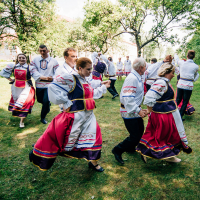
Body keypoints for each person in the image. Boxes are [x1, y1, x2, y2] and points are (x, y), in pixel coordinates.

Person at [29, 57, 111, 172]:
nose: (90, 71)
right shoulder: (71, 78)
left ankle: (93, 163)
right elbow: (53, 86)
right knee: (58, 140)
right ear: (80, 68)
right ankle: (37, 153)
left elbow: (91, 95)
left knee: (95, 139)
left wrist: (103, 87)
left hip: (89, 116)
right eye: (88, 69)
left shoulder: (85, 79)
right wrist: (65, 101)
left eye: (91, 69)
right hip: (76, 117)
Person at [136, 63, 192, 163]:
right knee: (164, 136)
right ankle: (166, 155)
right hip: (162, 115)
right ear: (167, 72)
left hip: (166, 113)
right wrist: (149, 110)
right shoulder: (161, 83)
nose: (174, 75)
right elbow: (149, 96)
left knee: (158, 134)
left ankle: (168, 155)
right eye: (172, 72)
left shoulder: (164, 82)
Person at [112, 57, 147, 165]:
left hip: (134, 109)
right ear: (141, 67)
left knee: (140, 131)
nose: (146, 68)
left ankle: (131, 148)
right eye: (145, 66)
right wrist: (138, 110)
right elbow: (128, 97)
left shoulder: (137, 76)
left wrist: (139, 109)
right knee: (135, 135)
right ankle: (118, 149)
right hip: (129, 111)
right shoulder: (132, 78)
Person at [0, 53, 35, 128]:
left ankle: (21, 121)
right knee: (18, 101)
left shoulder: (30, 67)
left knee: (24, 102)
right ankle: (20, 117)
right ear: (17, 59)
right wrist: (10, 79)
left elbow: (36, 75)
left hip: (27, 87)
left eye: (23, 58)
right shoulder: (13, 66)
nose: (21, 59)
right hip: (16, 87)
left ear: (26, 59)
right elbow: (3, 73)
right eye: (20, 58)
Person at [30, 44, 59, 124]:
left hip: (49, 85)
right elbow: (32, 69)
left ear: (47, 50)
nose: (42, 52)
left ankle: (43, 117)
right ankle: (47, 106)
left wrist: (53, 78)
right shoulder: (35, 60)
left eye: (44, 50)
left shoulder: (53, 61)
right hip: (39, 84)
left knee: (45, 101)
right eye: (40, 51)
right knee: (39, 100)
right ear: (39, 51)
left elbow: (58, 71)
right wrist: (42, 77)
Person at [176, 50, 199, 120]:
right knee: (185, 102)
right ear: (194, 57)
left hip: (180, 84)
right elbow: (196, 75)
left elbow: (177, 60)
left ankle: (173, 115)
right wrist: (193, 79)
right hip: (189, 85)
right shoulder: (196, 66)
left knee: (177, 100)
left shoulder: (182, 63)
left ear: (187, 56)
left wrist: (175, 54)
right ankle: (180, 117)